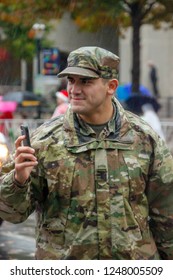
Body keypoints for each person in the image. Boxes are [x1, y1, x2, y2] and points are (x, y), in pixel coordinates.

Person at [0, 46, 173, 260]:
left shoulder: (144, 139)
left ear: (111, 86)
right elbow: (11, 214)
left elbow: (166, 215)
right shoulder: (43, 141)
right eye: (71, 81)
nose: (74, 89)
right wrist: (18, 180)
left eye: (85, 81)